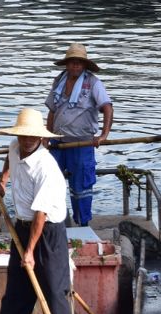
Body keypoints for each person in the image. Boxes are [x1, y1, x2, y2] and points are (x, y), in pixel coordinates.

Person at [0, 107, 73, 314]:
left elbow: (41, 214)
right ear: (18, 135)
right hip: (23, 227)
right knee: (17, 290)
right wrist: (2, 183)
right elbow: (10, 160)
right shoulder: (15, 147)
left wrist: (29, 251)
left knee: (54, 291)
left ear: (40, 137)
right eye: (24, 135)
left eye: (32, 136)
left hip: (47, 233)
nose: (27, 140)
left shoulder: (46, 168)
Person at [45, 44, 113, 226]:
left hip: (82, 144)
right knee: (49, 184)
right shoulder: (58, 81)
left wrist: (103, 135)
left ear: (84, 65)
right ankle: (53, 222)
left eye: (79, 63)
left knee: (81, 188)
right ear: (66, 64)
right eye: (72, 63)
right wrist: (45, 138)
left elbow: (107, 107)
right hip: (57, 143)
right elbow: (52, 111)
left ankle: (82, 224)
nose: (75, 66)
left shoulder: (93, 83)